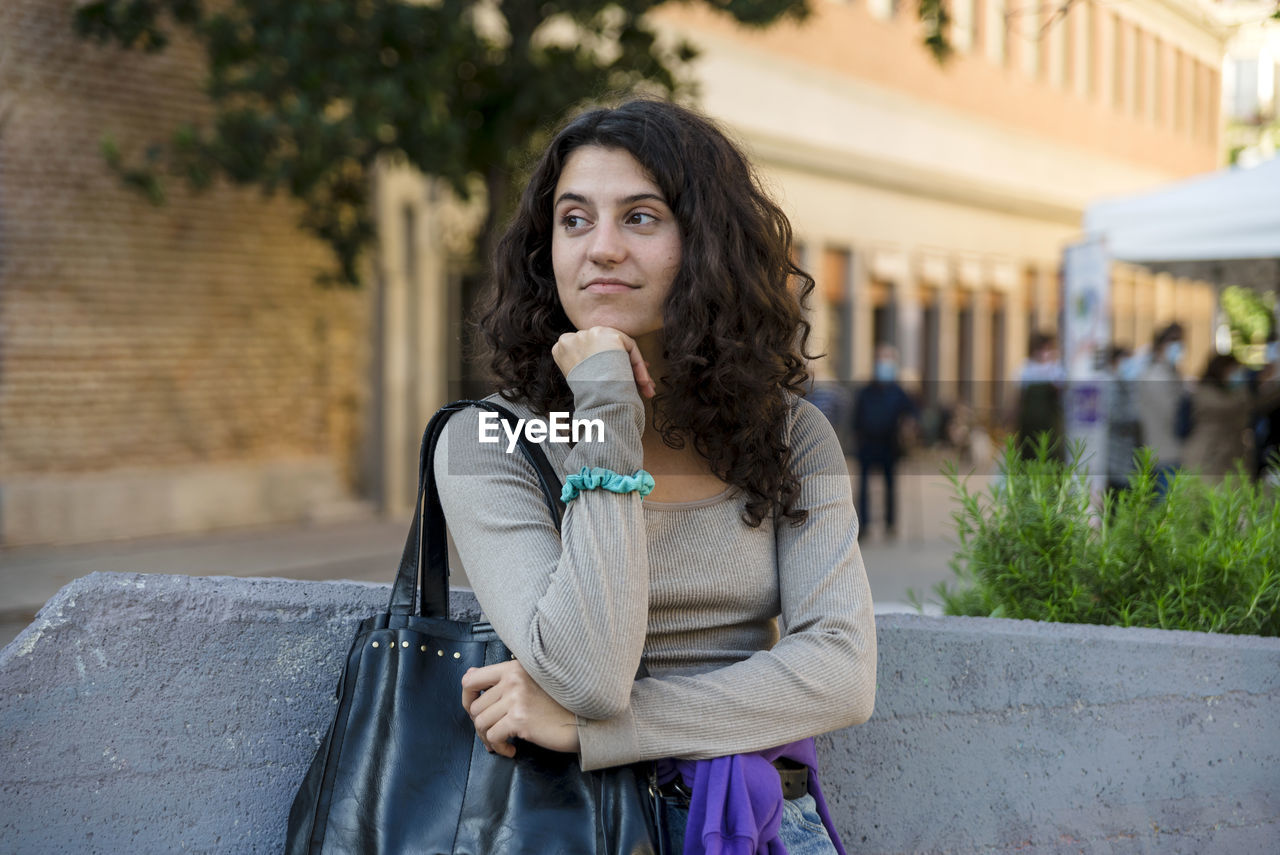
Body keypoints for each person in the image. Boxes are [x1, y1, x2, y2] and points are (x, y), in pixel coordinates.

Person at [434, 99, 876, 854]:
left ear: (706, 245)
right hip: (567, 824)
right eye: (574, 220)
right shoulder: (490, 440)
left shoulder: (791, 435)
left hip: (758, 823)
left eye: (640, 218)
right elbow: (587, 671)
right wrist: (603, 401)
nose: (600, 248)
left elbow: (841, 671)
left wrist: (601, 730)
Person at [851, 344, 917, 539]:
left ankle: (890, 523)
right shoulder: (865, 390)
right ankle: (863, 524)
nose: (884, 365)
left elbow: (913, 413)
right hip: (868, 443)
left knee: (890, 485)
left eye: (888, 360)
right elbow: (856, 416)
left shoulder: (899, 391)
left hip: (890, 444)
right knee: (863, 486)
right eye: (881, 359)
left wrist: (910, 425)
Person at [1183, 353, 1251, 484]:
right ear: (1221, 369)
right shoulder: (1205, 392)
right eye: (1233, 370)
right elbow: (1229, 406)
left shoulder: (1229, 392)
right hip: (1207, 456)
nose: (1237, 375)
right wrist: (1243, 390)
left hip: (1226, 456)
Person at [1136, 322, 1187, 494]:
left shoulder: (1169, 372)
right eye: (1175, 341)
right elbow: (1172, 413)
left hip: (1169, 451)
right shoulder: (1156, 374)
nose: (1180, 347)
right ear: (1162, 344)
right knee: (1166, 508)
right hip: (1164, 453)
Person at [1012, 330, 1065, 460]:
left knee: (1051, 455)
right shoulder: (1025, 368)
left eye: (1048, 348)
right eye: (1041, 348)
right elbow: (1018, 397)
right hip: (1029, 423)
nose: (1044, 352)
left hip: (1050, 423)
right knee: (1029, 454)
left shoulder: (1057, 369)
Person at [1103, 345, 1142, 501]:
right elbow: (1118, 416)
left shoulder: (1126, 383)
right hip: (1114, 456)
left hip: (1126, 457)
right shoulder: (1110, 383)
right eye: (1125, 360)